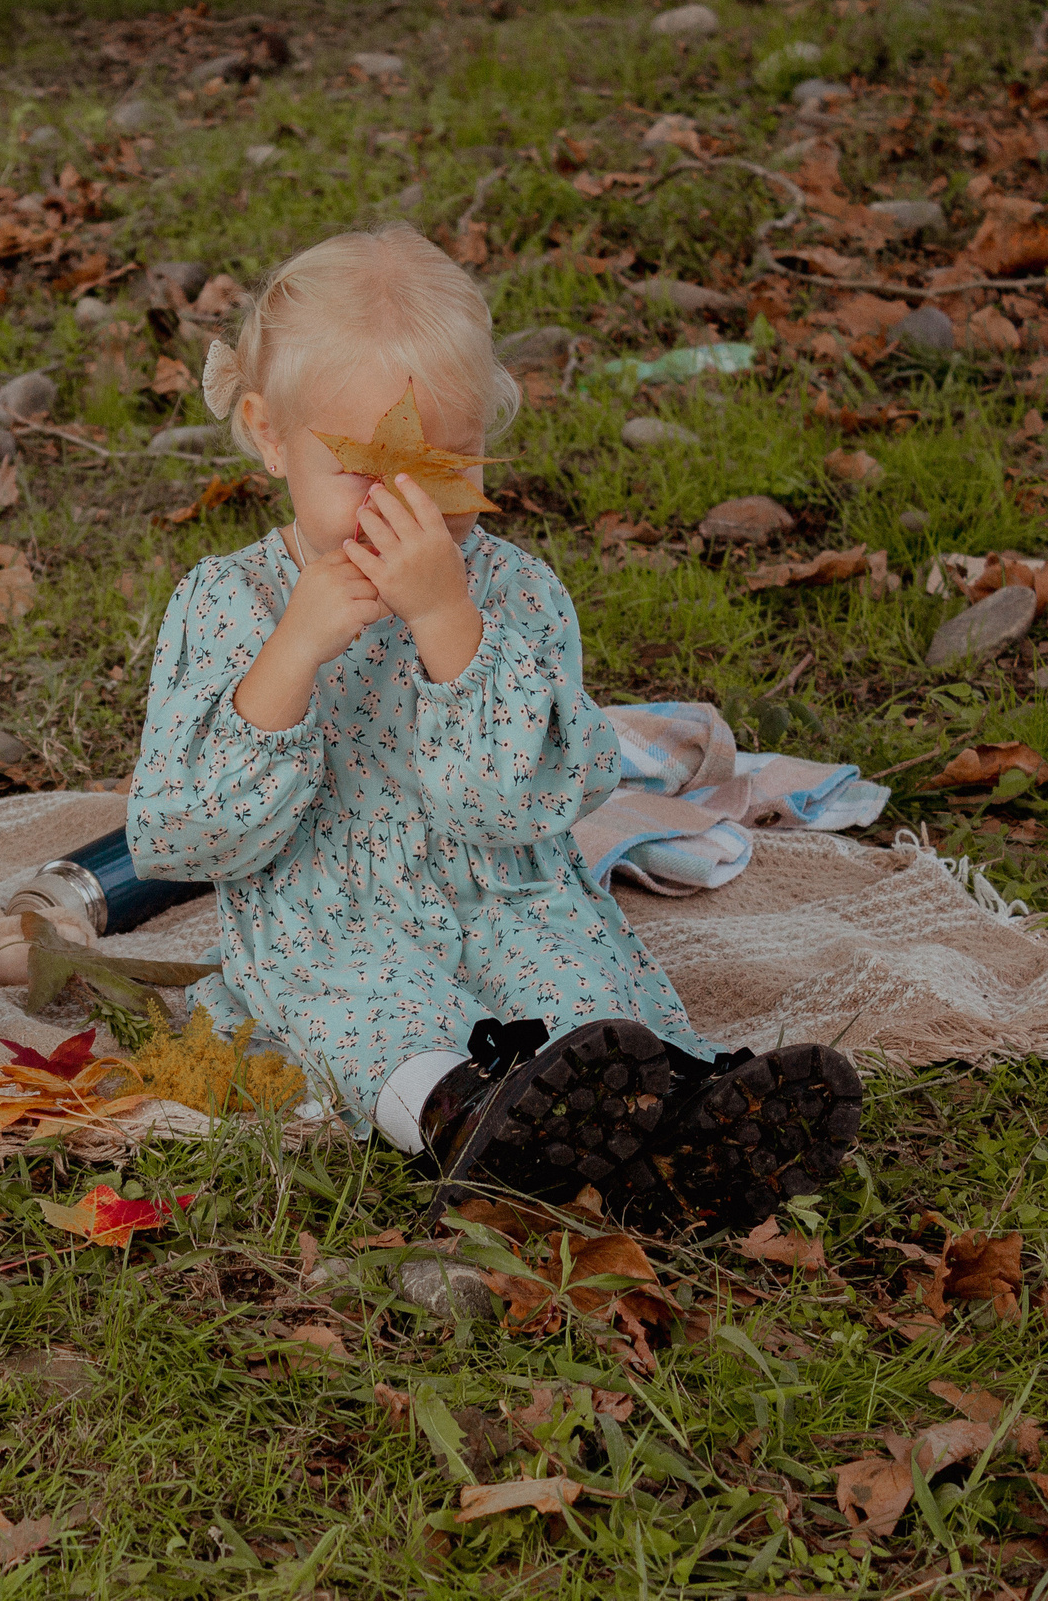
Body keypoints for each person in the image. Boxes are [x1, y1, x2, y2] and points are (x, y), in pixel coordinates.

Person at [125, 224, 859, 1230]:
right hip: (328, 917)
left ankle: (688, 1114)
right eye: (361, 469)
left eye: (444, 465)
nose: (406, 510)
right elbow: (183, 837)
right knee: (368, 1010)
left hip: (501, 888)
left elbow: (515, 807)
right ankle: (460, 1110)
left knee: (579, 981)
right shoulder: (228, 604)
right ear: (266, 431)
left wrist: (448, 627)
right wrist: (290, 654)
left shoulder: (513, 595)